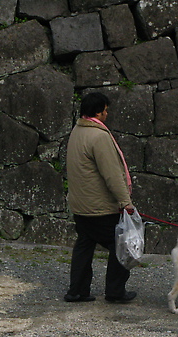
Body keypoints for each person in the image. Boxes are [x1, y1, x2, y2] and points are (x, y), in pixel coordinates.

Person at [64, 92, 137, 304]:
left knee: (84, 245)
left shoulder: (77, 131)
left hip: (81, 204)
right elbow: (113, 174)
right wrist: (126, 203)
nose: (107, 113)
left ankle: (77, 290)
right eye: (105, 109)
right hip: (100, 207)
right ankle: (115, 291)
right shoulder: (99, 136)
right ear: (98, 112)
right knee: (121, 245)